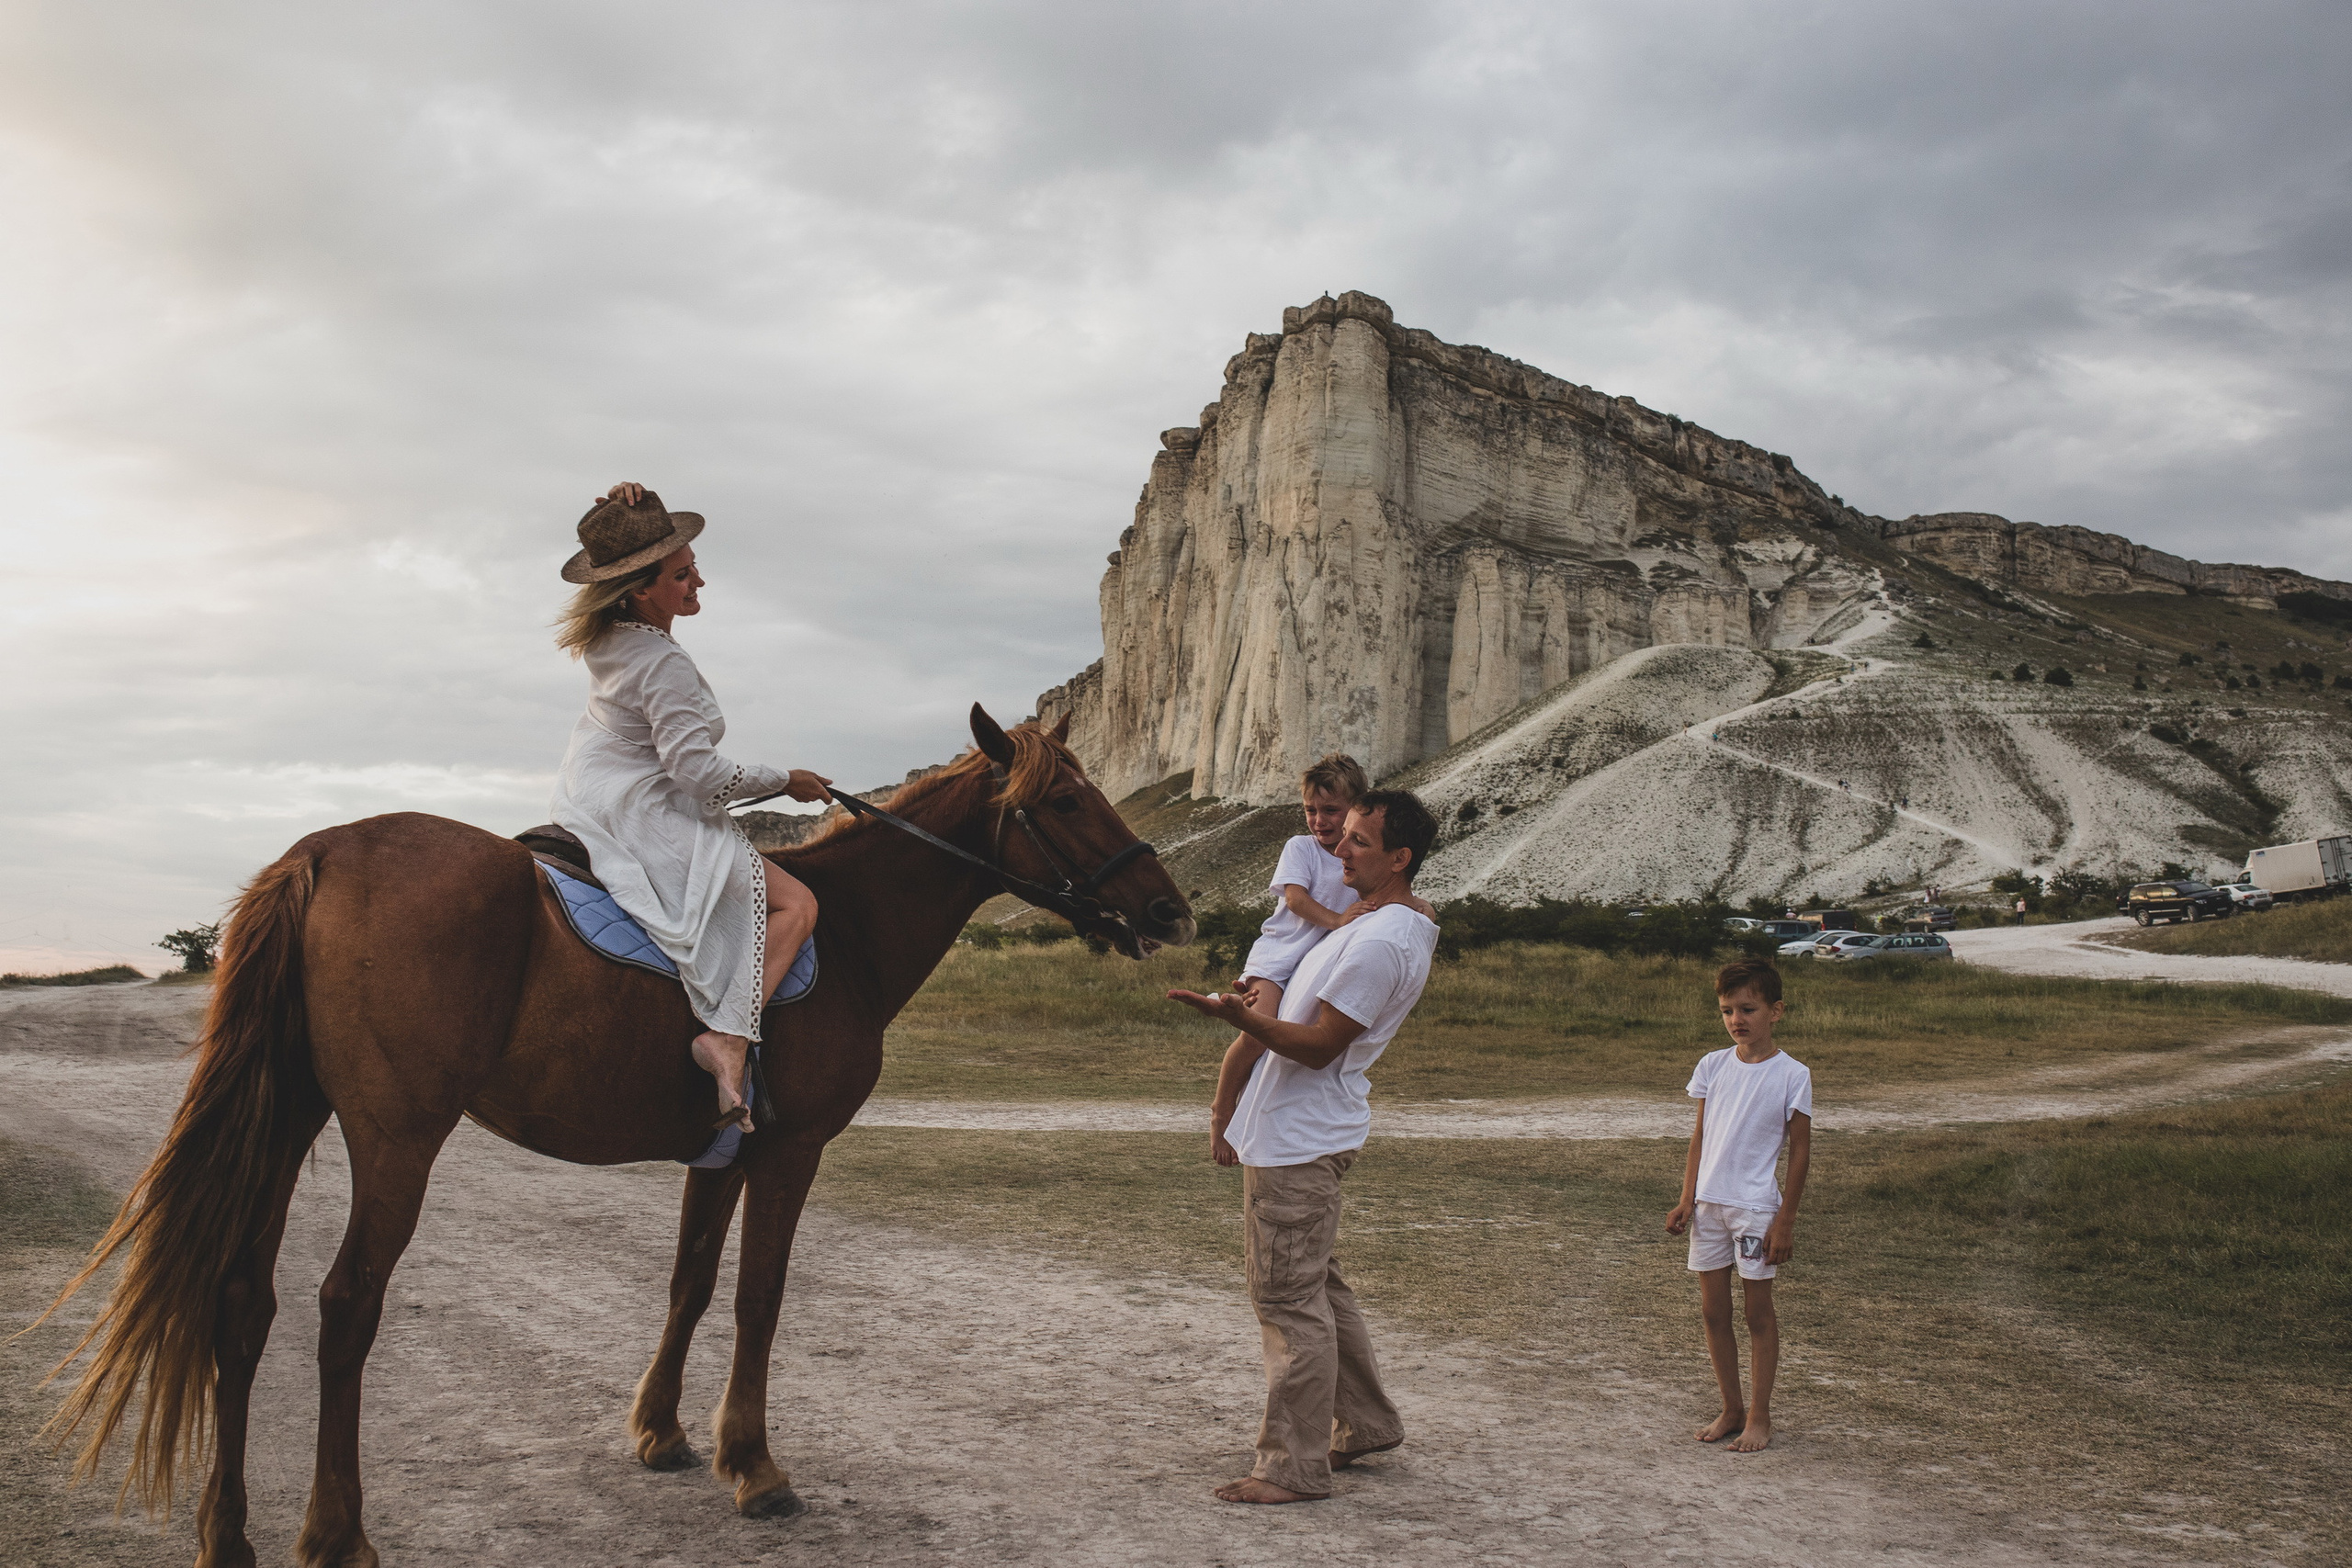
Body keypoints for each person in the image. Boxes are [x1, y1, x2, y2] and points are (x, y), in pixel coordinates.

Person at [1169, 789, 1442, 1506]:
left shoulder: (1382, 939)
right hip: (1306, 1130)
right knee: (1318, 1284)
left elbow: (1321, 1047)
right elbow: (1410, 920)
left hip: (1299, 1136)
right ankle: (1367, 1421)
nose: (1338, 848)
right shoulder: (1394, 919)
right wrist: (1261, 1010)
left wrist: (1237, 1018)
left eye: (1357, 841)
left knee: (1287, 1298)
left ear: (1399, 858)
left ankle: (1291, 1466)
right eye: (1340, 834)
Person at [548, 482, 833, 1130]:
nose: (698, 579)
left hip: (588, 792)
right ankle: (728, 1035)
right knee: (798, 904)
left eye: (693, 564)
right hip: (645, 807)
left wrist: (626, 515)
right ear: (641, 589)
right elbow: (699, 776)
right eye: (682, 574)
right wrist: (785, 778)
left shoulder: (613, 637)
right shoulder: (661, 663)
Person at [1666, 959, 1812, 1454]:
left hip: (1754, 1209)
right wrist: (1687, 1197)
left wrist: (1784, 1221)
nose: (1736, 1019)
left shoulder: (1793, 1074)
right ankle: (1730, 1407)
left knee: (1757, 1313)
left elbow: (1800, 1151)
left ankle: (1759, 1416)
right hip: (1709, 1207)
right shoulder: (1712, 1065)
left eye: (1747, 1009)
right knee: (1712, 1311)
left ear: (1776, 1012)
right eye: (1727, 1010)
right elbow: (1701, 1136)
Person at [1216, 753, 1369, 1100]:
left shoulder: (1361, 857)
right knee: (1255, 1036)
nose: (1319, 820)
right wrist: (1339, 921)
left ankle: (1267, 1106)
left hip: (1317, 966)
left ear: (1356, 808)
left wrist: (1418, 904)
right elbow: (1296, 900)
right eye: (1310, 810)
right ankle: (1221, 1107)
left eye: (1330, 810)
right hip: (1277, 959)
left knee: (1301, 1044)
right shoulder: (1301, 848)